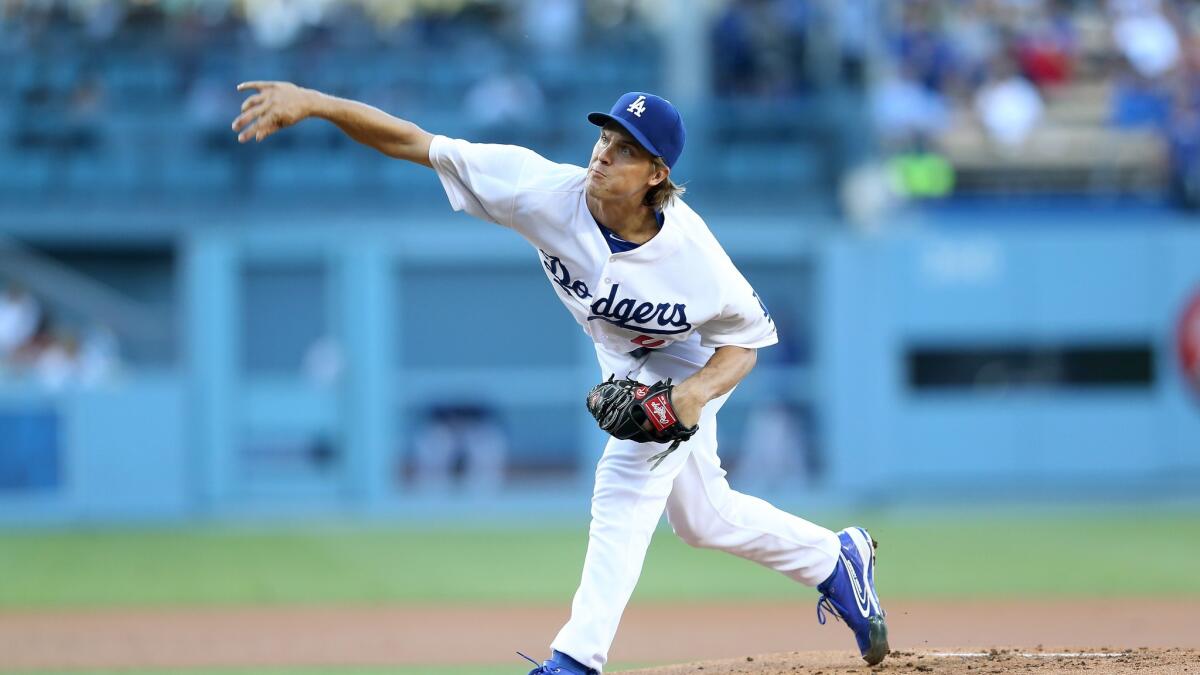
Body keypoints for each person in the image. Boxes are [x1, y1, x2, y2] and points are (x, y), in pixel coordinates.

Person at [231, 82, 889, 673]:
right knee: (703, 518)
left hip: (686, 364)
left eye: (625, 149)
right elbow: (416, 143)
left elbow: (745, 344)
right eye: (604, 136)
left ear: (656, 174)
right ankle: (836, 560)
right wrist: (317, 103)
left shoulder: (696, 260)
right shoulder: (539, 190)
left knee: (624, 483)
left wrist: (687, 397)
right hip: (624, 359)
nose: (603, 153)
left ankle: (577, 658)